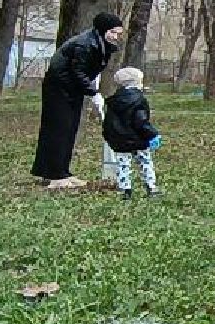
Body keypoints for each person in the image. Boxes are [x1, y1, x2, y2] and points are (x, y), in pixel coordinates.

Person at [32, 12, 124, 188]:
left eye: (118, 33)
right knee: (59, 129)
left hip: (72, 90)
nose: (116, 36)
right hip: (59, 89)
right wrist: (93, 92)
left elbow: (91, 70)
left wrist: (92, 87)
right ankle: (55, 175)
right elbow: (78, 72)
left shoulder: (101, 44)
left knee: (70, 129)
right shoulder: (85, 44)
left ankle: (62, 172)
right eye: (113, 32)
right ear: (103, 29)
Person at [103, 66, 162, 200]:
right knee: (145, 162)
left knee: (123, 164)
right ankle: (151, 187)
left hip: (120, 140)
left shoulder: (113, 101)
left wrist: (109, 136)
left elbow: (108, 122)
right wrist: (153, 134)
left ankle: (125, 190)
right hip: (138, 139)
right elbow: (141, 122)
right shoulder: (139, 100)